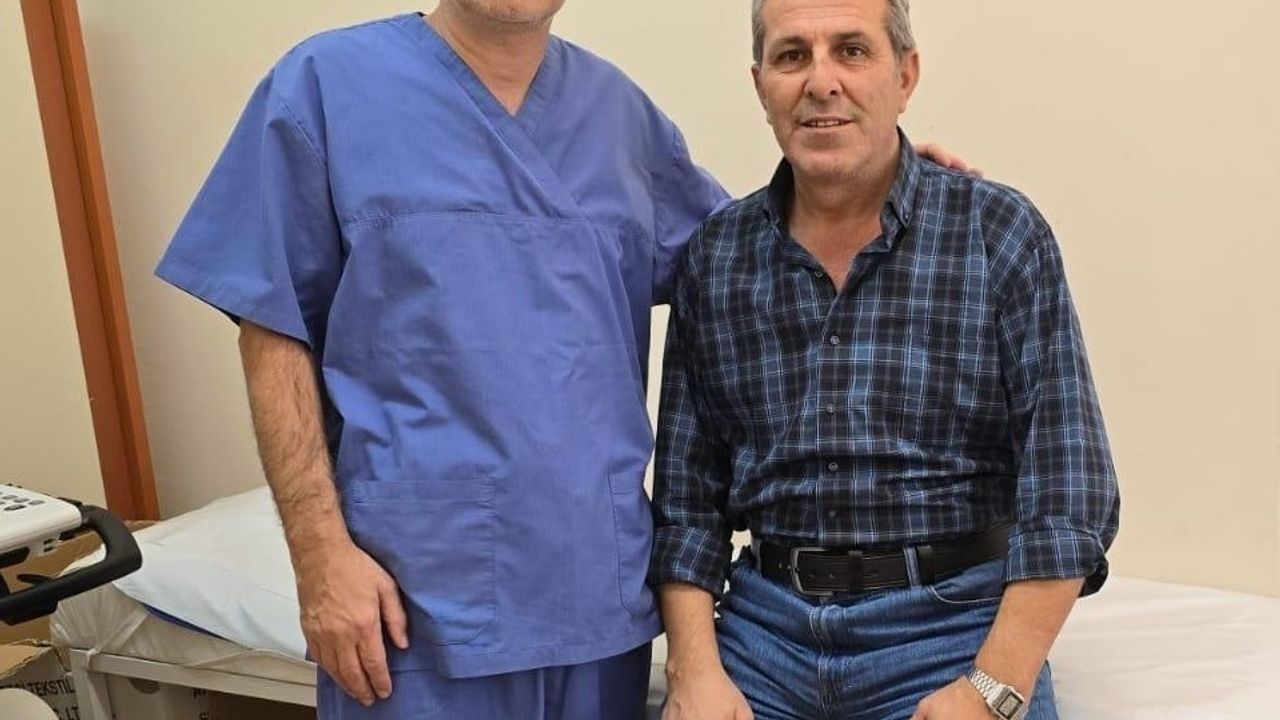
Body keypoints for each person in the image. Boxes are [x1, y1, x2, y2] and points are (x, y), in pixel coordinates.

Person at [156, 2, 971, 717]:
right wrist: (318, 557)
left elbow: (755, 253)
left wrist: (878, 182)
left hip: (595, 600)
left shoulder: (620, 119)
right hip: (411, 605)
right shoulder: (325, 89)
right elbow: (272, 326)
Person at [649, 1, 1120, 719]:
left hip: (950, 632)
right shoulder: (717, 257)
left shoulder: (996, 233)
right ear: (760, 85)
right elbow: (687, 506)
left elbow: (1069, 490)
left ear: (905, 75)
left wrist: (992, 687)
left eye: (852, 51)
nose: (821, 82)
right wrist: (692, 671)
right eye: (792, 56)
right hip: (764, 639)